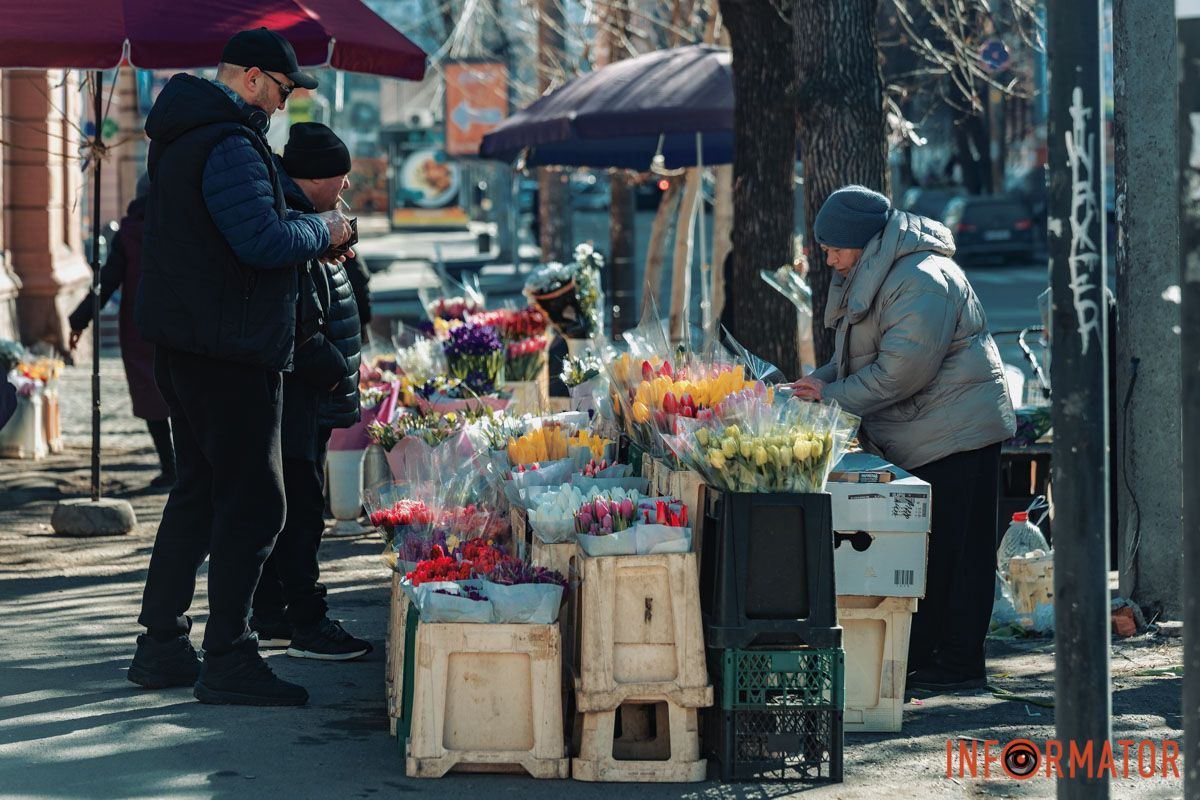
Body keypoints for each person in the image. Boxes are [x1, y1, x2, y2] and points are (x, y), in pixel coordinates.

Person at [129, 28, 355, 707]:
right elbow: (258, 240)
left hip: (194, 347)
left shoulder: (191, 136)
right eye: (283, 91)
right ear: (252, 78)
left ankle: (163, 646)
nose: (284, 107)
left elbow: (234, 234)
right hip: (228, 353)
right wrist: (326, 231)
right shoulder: (226, 142)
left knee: (198, 495)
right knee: (257, 503)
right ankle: (228, 657)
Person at [790, 185, 1015, 692]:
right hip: (930, 427)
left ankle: (956, 664)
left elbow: (900, 373)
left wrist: (829, 397)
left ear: (861, 241)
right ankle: (935, 656)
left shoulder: (919, 279)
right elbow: (859, 361)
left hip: (955, 432)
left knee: (955, 555)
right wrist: (816, 382)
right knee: (941, 552)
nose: (827, 257)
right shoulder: (880, 270)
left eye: (833, 247)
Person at [249, 123, 371, 660]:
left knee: (293, 508)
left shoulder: (312, 222)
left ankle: (275, 615)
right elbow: (296, 314)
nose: (344, 190)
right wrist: (330, 367)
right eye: (339, 180)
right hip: (298, 392)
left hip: (306, 392)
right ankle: (305, 620)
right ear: (315, 178)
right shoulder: (293, 222)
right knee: (300, 512)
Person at [68, 174, 176, 488]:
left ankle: (170, 467)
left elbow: (108, 280)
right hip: (181, 323)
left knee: (151, 397)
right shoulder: (182, 226)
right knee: (186, 395)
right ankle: (188, 468)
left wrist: (79, 319)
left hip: (140, 326)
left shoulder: (129, 230)